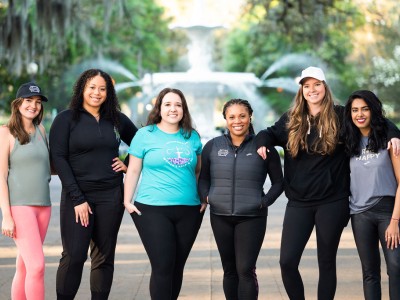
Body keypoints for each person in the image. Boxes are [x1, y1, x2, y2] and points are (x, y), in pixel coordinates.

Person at [255, 66, 400, 300]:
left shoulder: (341, 115)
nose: (312, 90)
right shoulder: (291, 119)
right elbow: (268, 133)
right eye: (306, 86)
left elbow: (377, 121)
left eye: (317, 84)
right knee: (287, 262)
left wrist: (394, 135)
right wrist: (262, 143)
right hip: (299, 202)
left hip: (332, 202)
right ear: (301, 90)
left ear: (325, 86)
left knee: (326, 262)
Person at [49, 69, 138, 300]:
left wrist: (127, 163)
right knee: (74, 255)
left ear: (108, 93)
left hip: (111, 196)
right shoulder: (66, 119)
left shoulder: (117, 119)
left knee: (104, 257)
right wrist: (78, 199)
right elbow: (59, 158)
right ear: (82, 89)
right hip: (78, 197)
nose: (96, 93)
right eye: (91, 87)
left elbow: (142, 143)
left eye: (102, 88)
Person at [124, 87, 206, 300]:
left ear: (184, 109)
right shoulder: (144, 135)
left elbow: (198, 171)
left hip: (189, 210)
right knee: (163, 265)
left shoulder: (193, 137)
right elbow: (133, 170)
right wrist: (127, 200)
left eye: (178, 105)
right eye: (168, 104)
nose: (173, 109)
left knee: (177, 266)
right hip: (152, 209)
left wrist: (203, 198)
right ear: (159, 108)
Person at [198, 99, 284, 299]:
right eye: (232, 117)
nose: (238, 121)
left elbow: (279, 182)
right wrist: (207, 197)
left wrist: (264, 201)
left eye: (242, 116)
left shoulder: (263, 147)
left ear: (249, 117)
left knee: (245, 269)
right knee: (229, 270)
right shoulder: (212, 146)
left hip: (252, 217)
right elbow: (203, 178)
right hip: (220, 216)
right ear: (226, 120)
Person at [343, 90, 400, 300]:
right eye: (355, 110)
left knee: (395, 267)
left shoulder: (390, 139)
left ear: (373, 111)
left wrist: (395, 221)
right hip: (360, 214)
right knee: (369, 273)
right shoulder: (349, 140)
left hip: (388, 211)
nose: (360, 114)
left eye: (365, 109)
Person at [0, 82, 51, 300]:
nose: (33, 106)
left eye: (38, 102)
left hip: (44, 207)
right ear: (18, 103)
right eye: (29, 101)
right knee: (38, 266)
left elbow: (47, 166)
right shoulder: (5, 132)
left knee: (25, 266)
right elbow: (1, 176)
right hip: (20, 208)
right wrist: (7, 216)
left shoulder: (41, 130)